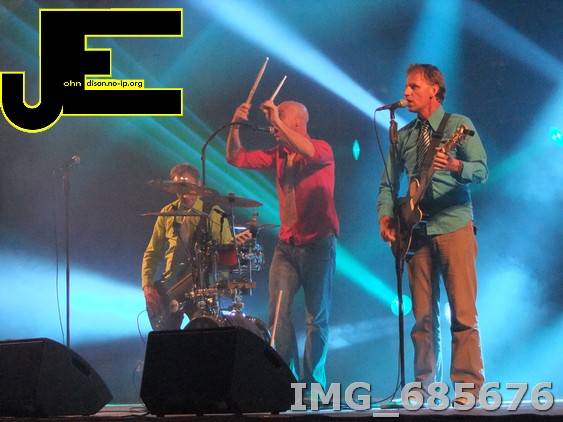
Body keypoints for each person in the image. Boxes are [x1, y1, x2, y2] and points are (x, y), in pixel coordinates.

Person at [377, 64, 488, 406]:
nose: (406, 92)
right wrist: (385, 216)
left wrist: (455, 166)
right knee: (422, 319)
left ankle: (468, 390)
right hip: (416, 233)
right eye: (406, 86)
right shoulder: (404, 135)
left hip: (454, 226)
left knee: (463, 314)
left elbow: (482, 170)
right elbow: (388, 183)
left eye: (413, 86)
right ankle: (424, 389)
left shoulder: (458, 125)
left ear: (433, 90)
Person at [226, 100, 339, 393]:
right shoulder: (278, 154)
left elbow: (308, 151)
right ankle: (286, 384)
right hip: (286, 246)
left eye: (281, 117)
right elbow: (235, 157)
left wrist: (275, 119)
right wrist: (235, 126)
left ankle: (312, 387)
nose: (273, 123)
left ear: (298, 121)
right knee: (277, 315)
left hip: (318, 244)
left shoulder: (321, 149)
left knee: (316, 319)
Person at [142, 163, 233, 330]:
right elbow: (153, 252)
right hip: (169, 289)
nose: (184, 194)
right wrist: (147, 285)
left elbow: (227, 256)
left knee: (201, 333)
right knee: (166, 340)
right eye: (179, 189)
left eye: (189, 188)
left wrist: (216, 283)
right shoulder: (167, 212)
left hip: (201, 289)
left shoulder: (213, 214)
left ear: (199, 185)